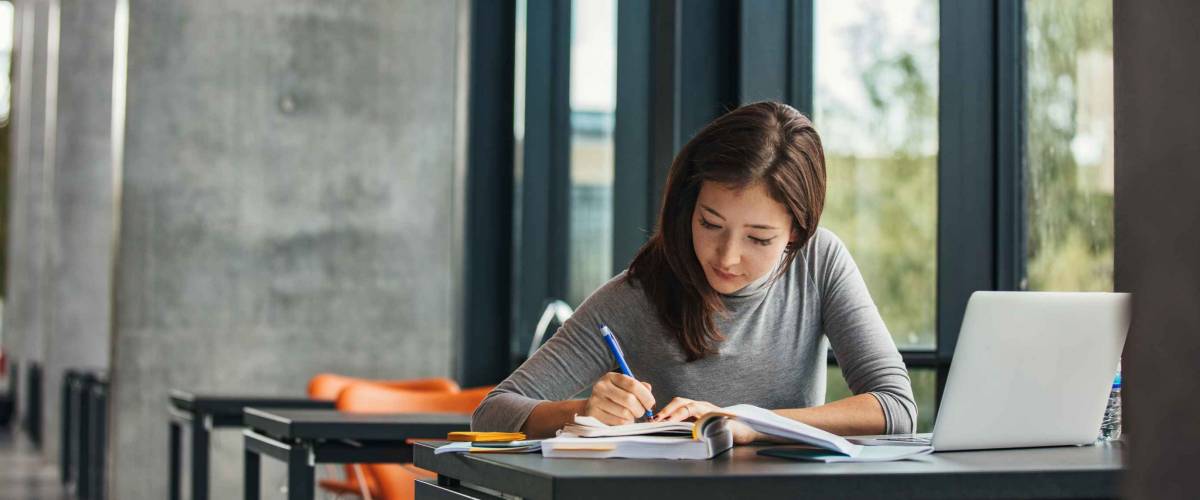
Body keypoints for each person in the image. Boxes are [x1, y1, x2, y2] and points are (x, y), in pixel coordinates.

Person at [473, 101, 915, 443]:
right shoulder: (638, 294)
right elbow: (492, 412)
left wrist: (747, 421)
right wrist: (583, 411)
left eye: (758, 239)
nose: (726, 256)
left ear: (797, 234)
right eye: (710, 224)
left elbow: (895, 407)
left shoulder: (819, 263)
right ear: (688, 207)